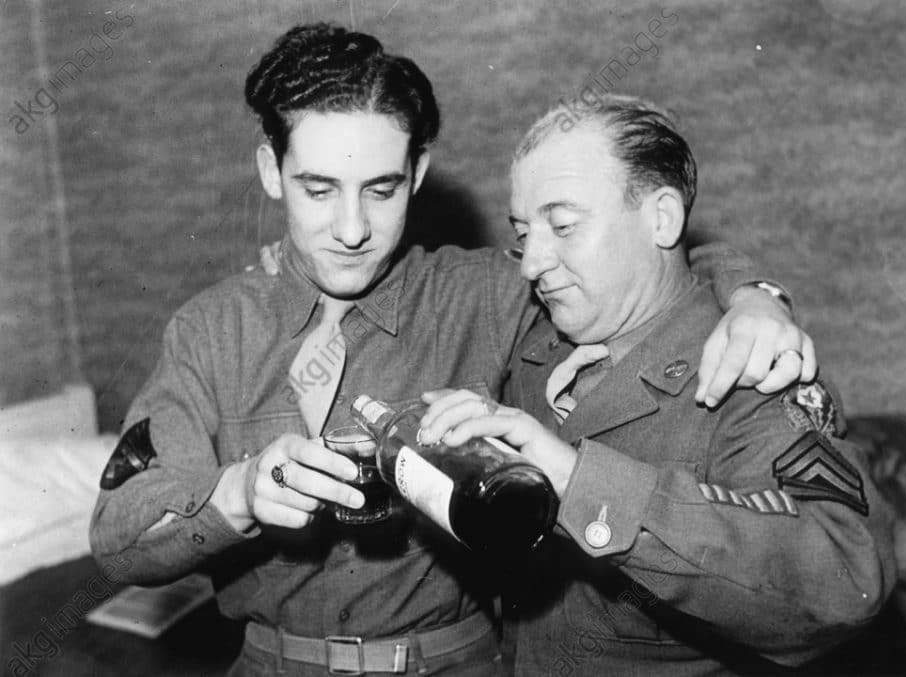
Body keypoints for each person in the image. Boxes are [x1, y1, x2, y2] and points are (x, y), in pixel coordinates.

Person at [90, 24, 816, 677]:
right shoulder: (210, 330)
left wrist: (752, 294)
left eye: (381, 190)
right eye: (319, 190)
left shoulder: (485, 294)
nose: (352, 228)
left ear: (417, 173)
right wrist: (239, 492)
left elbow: (643, 260)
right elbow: (120, 533)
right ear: (270, 171)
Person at [419, 95, 896, 676]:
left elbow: (848, 582)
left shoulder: (751, 372)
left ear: (662, 219)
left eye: (563, 226)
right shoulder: (538, 342)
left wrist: (577, 481)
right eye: (523, 232)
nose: (531, 264)